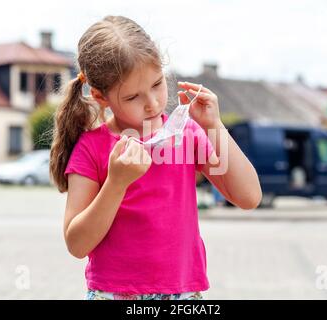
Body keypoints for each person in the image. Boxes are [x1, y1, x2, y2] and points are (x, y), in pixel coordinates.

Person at [49, 15, 262, 300]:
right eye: (132, 97)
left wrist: (215, 127)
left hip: (182, 293)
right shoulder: (92, 147)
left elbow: (248, 197)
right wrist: (116, 183)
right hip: (115, 293)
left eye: (157, 84)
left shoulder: (186, 133)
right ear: (101, 97)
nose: (152, 103)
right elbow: (76, 244)